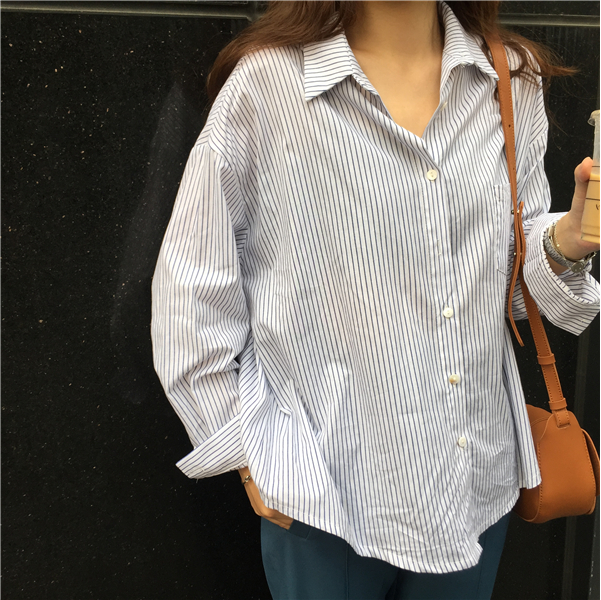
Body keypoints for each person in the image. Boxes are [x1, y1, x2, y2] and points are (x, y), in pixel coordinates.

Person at [151, 2, 600, 598]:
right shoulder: (269, 83)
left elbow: (504, 283)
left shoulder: (509, 77)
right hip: (327, 489)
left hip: (472, 478)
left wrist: (565, 242)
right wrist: (244, 450)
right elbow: (192, 285)